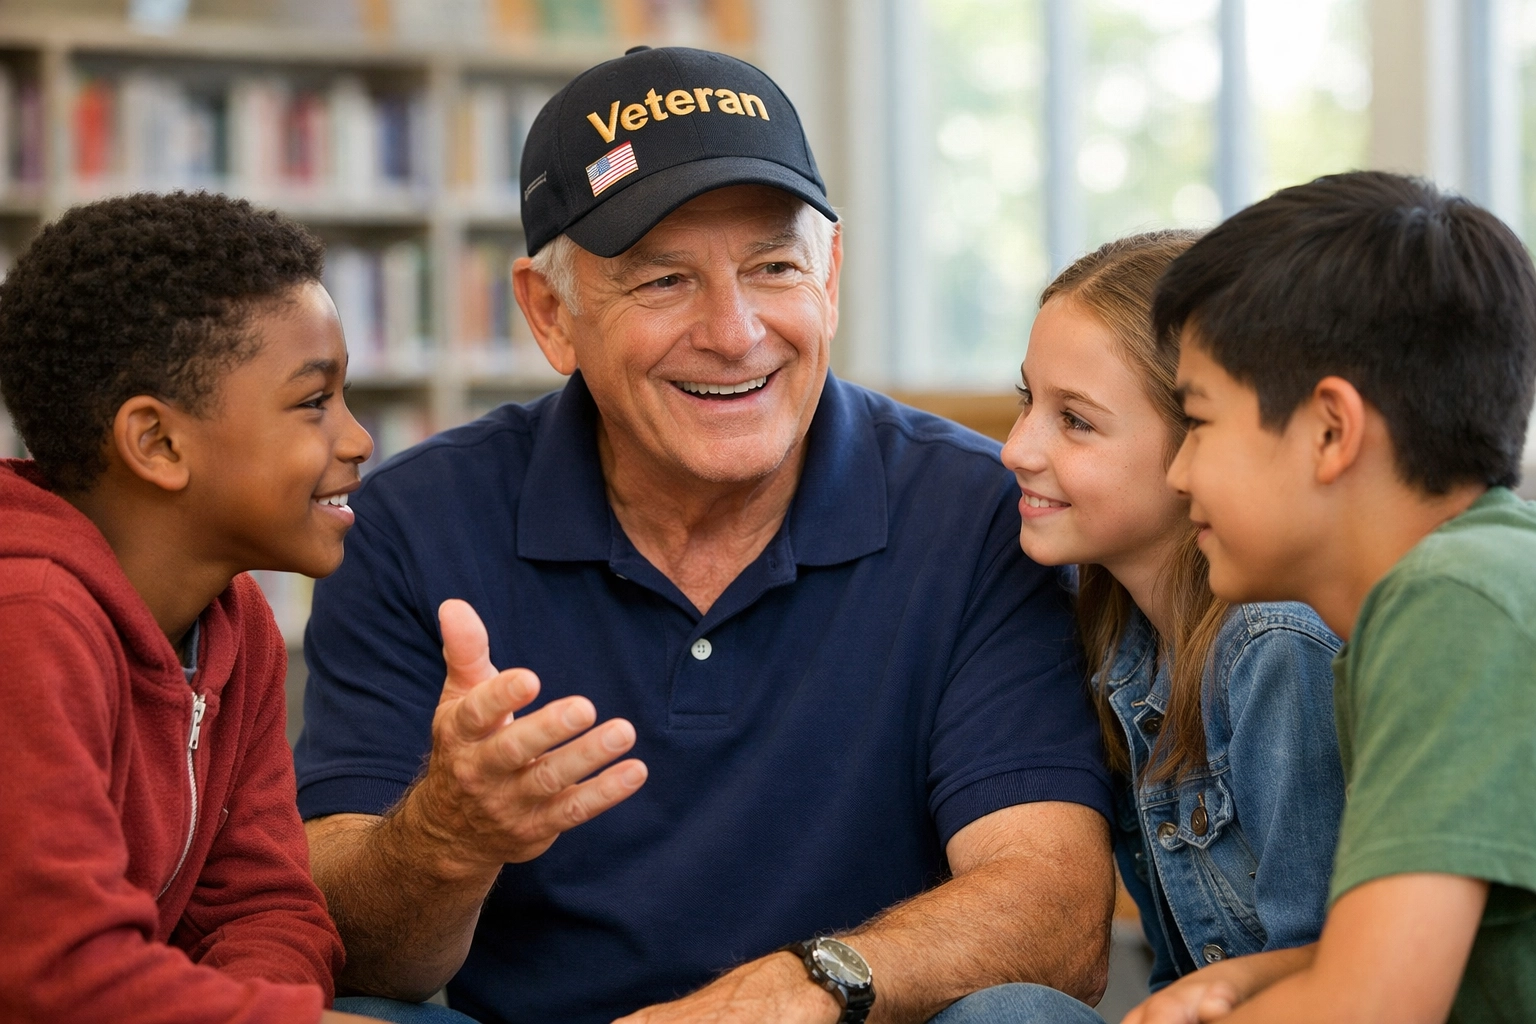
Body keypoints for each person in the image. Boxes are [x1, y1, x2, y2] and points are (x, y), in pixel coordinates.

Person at [294, 45, 1116, 1024]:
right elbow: (356, 949)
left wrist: (796, 991)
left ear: (833, 274)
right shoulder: (408, 524)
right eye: (664, 281)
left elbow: (1058, 911)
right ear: (549, 314)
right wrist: (447, 833)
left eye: (774, 267)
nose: (734, 333)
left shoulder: (978, 510)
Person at [1127, 170, 1536, 1024]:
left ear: (1330, 430)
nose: (1178, 472)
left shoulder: (1452, 603)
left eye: (1198, 421)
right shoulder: (1447, 595)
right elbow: (1433, 947)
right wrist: (1250, 979)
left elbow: (1374, 1007)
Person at [935, 232, 1345, 1023]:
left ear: (1202, 441)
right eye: (1027, 400)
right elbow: (1177, 967)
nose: (1017, 448)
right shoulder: (1121, 647)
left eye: (1076, 422)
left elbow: (1329, 978)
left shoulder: (1276, 647)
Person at [0, 193, 384, 1022]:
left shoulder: (234, 620)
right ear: (158, 443)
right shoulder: (28, 622)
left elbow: (268, 909)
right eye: (315, 402)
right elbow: (58, 980)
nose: (358, 440)